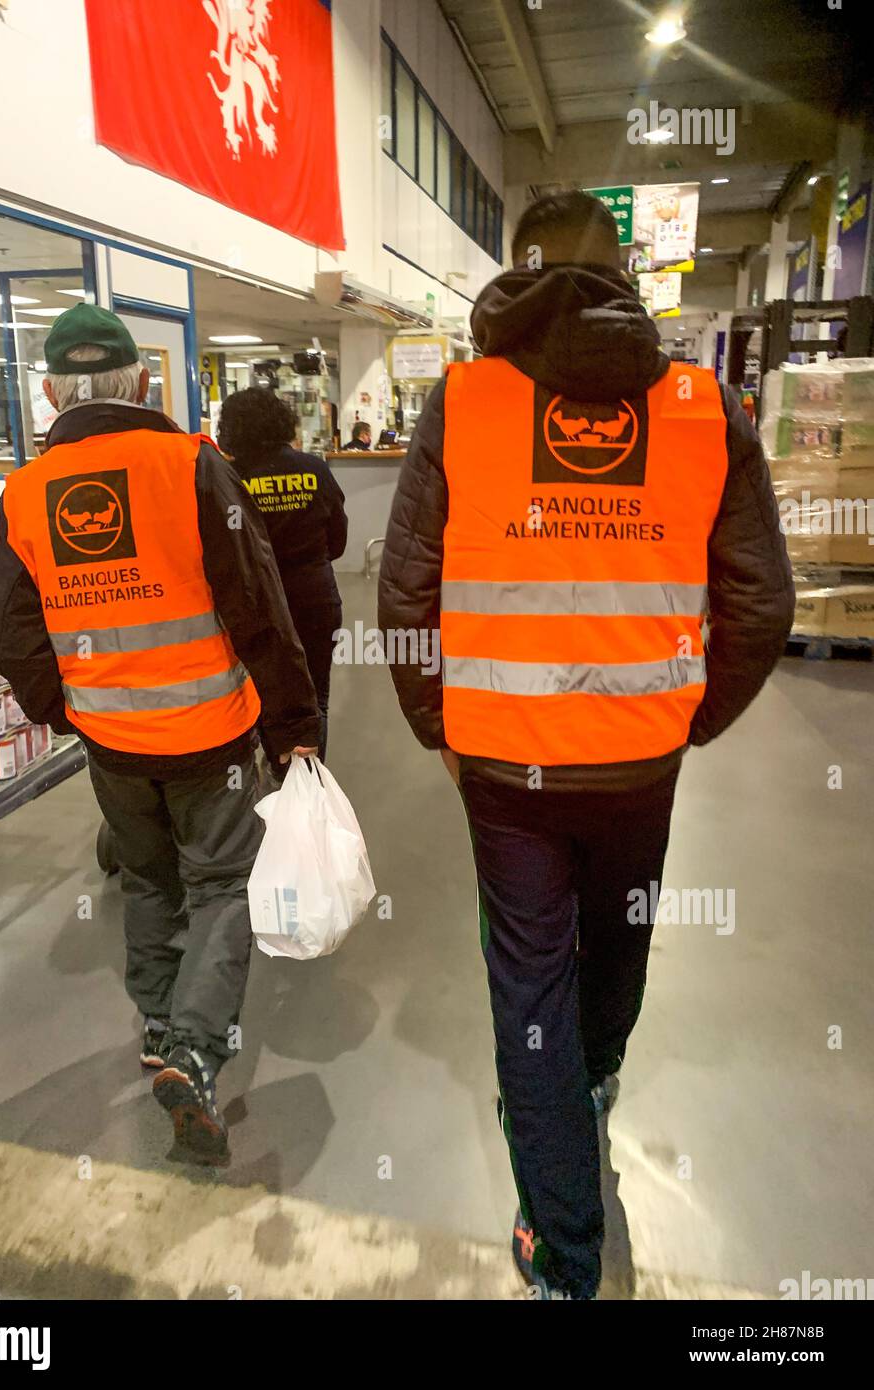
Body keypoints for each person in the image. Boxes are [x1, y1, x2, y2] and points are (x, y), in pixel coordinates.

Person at [378, 190, 794, 1299]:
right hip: (639, 763)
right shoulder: (705, 406)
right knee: (619, 933)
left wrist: (439, 727)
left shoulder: (462, 401)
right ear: (624, 276)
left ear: (512, 277)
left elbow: (405, 587)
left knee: (526, 986)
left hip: (506, 768)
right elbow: (762, 605)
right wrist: (689, 717)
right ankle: (596, 1075)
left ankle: (564, 1249)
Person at [0, 304, 319, 1165]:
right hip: (211, 733)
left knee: (146, 880)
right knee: (223, 885)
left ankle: (158, 1024)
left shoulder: (25, 491)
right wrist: (293, 725)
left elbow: (5, 628)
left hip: (110, 742)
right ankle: (195, 1053)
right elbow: (257, 602)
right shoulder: (191, 465)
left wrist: (63, 706)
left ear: (52, 392)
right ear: (140, 382)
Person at [218, 387, 347, 762]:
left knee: (263, 688)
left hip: (256, 601)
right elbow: (337, 540)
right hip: (315, 596)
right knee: (315, 693)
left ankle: (275, 768)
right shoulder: (315, 469)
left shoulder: (231, 478)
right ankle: (310, 779)